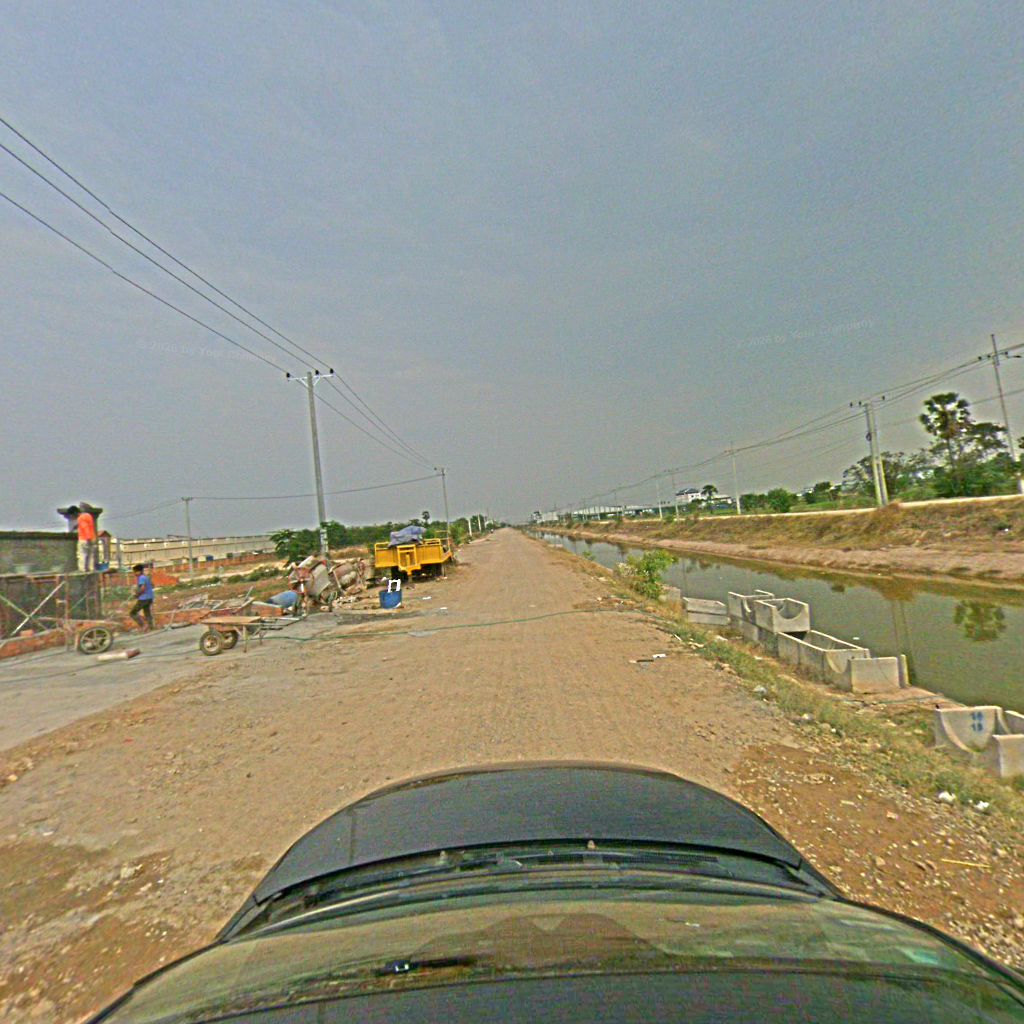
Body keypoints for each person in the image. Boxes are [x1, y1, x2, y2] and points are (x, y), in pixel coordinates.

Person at [129, 563, 155, 631]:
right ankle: (151, 627)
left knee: (132, 613)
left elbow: (143, 588)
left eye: (135, 572)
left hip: (144, 598)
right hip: (150, 598)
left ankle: (143, 625)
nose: (134, 573)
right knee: (147, 612)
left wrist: (136, 594)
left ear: (139, 571)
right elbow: (152, 585)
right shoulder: (146, 577)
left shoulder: (141, 578)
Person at [77, 506, 97, 571]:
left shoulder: (81, 517)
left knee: (82, 554)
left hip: (84, 538)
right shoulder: (89, 516)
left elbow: (85, 527)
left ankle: (82, 569)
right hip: (92, 537)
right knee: (91, 554)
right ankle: (91, 568)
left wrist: (88, 537)